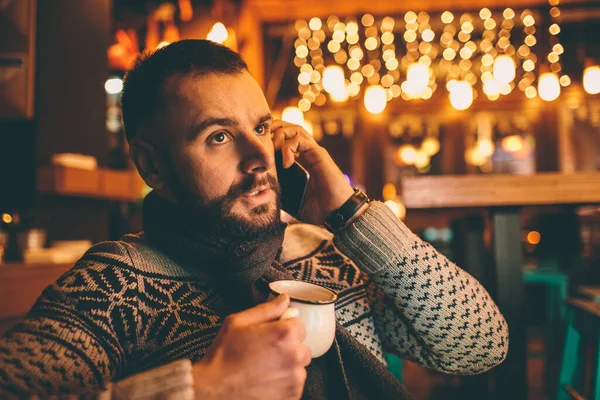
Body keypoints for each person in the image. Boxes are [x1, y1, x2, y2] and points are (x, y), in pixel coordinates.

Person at [0, 40, 508, 399]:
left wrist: (350, 212)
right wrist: (200, 392)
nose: (258, 156)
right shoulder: (113, 284)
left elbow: (480, 346)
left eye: (261, 127)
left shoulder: (325, 254)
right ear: (153, 165)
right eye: (218, 136)